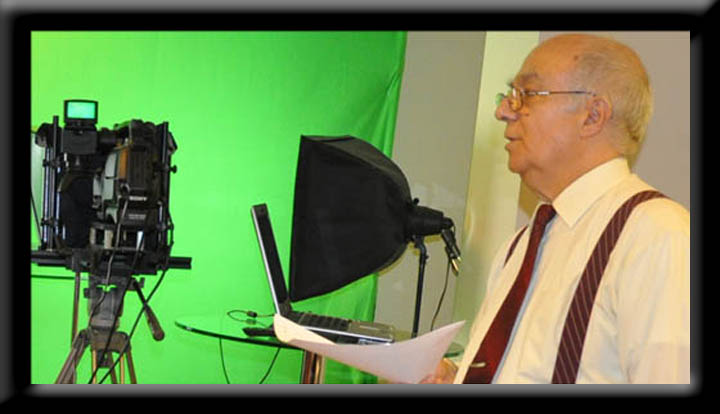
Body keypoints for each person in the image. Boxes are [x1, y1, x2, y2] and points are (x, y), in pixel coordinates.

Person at [422, 33, 690, 384]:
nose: (503, 111)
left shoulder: (657, 234)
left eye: (527, 94)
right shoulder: (519, 246)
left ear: (592, 116)